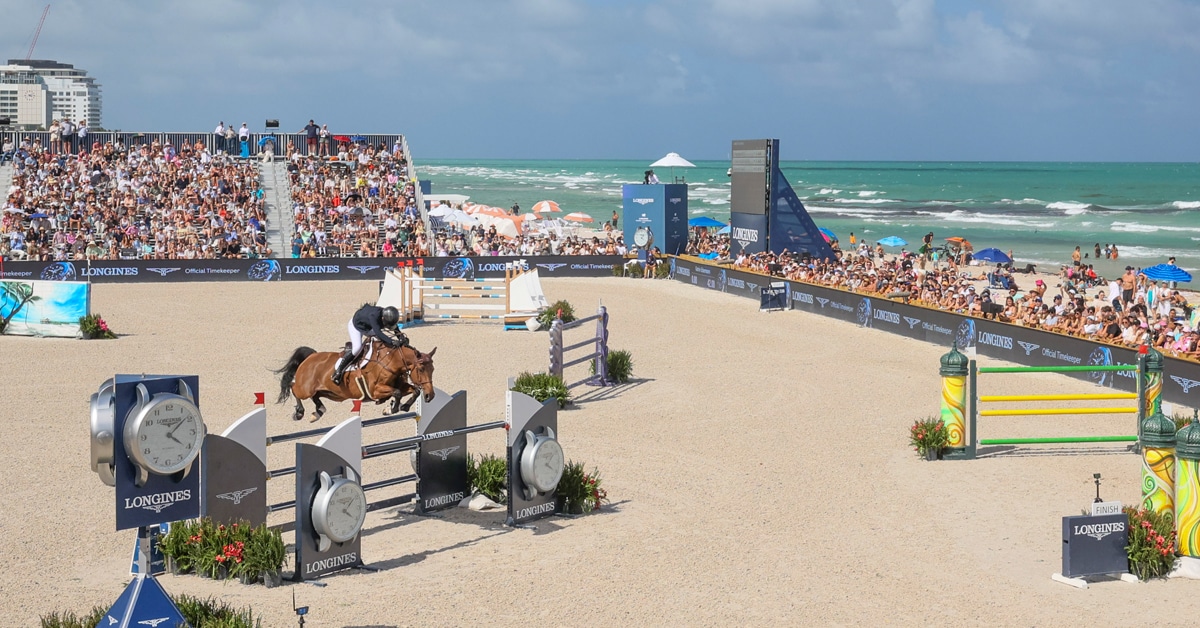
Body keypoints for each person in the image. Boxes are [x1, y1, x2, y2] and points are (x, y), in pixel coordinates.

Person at [332, 303, 405, 385]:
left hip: (368, 327)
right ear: (383, 318)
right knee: (357, 348)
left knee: (381, 342)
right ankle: (338, 370)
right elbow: (378, 333)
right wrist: (392, 342)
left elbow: (394, 327)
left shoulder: (386, 314)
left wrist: (401, 337)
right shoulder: (373, 316)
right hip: (356, 327)